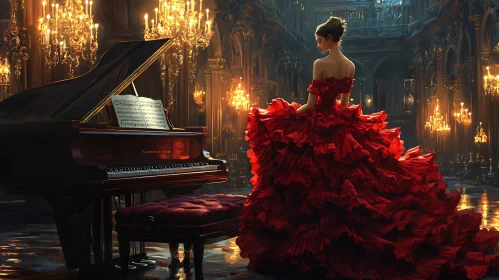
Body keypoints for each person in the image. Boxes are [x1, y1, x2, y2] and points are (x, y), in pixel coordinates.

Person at [236, 16, 499, 279]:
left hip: (319, 123)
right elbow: (343, 105)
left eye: (319, 40)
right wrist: (337, 120)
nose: (317, 45)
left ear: (329, 39)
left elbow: (312, 105)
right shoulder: (349, 66)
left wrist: (292, 112)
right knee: (353, 183)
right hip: (342, 125)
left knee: (314, 181)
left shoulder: (320, 64)